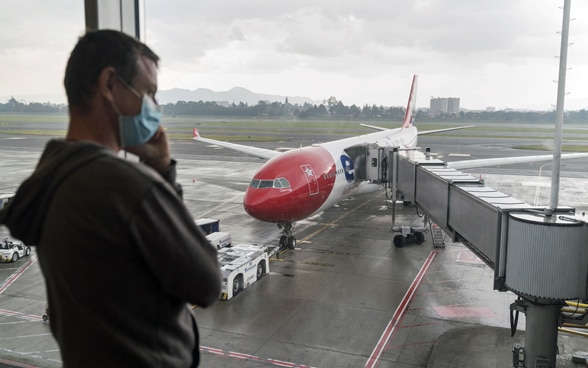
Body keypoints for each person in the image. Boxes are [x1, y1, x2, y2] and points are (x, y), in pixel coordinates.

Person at [0, 30, 221, 367]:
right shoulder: (126, 188)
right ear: (109, 84)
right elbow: (206, 283)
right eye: (148, 93)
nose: (155, 108)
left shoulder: (49, 179)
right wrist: (161, 175)